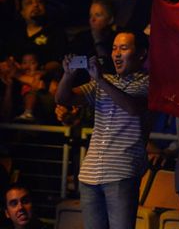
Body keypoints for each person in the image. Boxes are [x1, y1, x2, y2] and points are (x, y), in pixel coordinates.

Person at [55, 30, 150, 229]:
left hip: (121, 173)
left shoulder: (148, 83)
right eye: (114, 48)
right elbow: (63, 98)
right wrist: (67, 75)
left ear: (141, 53)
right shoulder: (103, 82)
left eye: (123, 48)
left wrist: (100, 80)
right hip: (90, 174)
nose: (116, 53)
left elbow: (132, 108)